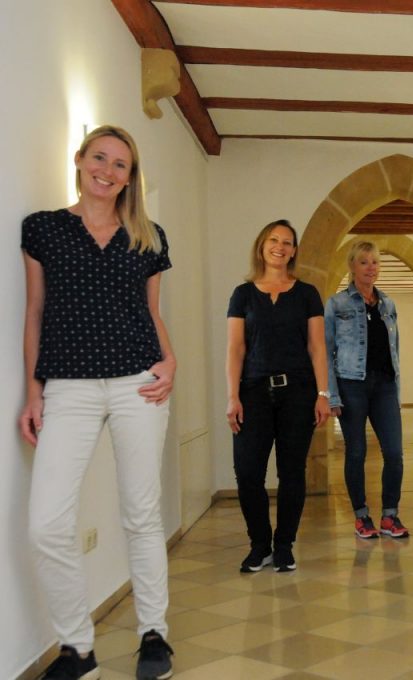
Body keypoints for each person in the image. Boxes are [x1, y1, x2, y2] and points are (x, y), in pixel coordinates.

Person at [20, 125, 176, 679]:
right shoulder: (43, 229)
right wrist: (33, 391)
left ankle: (154, 633)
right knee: (46, 524)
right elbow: (35, 312)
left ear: (131, 179)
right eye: (100, 158)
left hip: (140, 382)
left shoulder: (149, 236)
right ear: (80, 158)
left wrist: (170, 361)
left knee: (141, 513)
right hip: (68, 386)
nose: (107, 171)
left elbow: (152, 313)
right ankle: (76, 649)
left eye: (120, 165)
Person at [226, 219, 331, 574]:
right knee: (248, 472)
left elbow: (317, 347)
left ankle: (284, 545)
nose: (280, 247)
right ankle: (260, 544)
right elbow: (235, 349)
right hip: (252, 392)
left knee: (292, 472)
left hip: (298, 393)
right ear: (262, 245)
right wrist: (232, 396)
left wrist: (322, 393)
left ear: (294, 250)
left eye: (287, 242)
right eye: (274, 240)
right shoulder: (243, 295)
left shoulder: (307, 294)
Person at [325, 241, 408, 539]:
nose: (371, 267)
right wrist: (331, 395)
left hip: (384, 385)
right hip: (351, 384)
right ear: (352, 266)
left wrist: (396, 390)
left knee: (395, 453)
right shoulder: (337, 304)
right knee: (356, 452)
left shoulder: (388, 304)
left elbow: (394, 349)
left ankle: (390, 515)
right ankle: (362, 516)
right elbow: (326, 352)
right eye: (364, 262)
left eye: (374, 262)